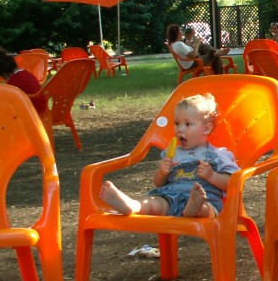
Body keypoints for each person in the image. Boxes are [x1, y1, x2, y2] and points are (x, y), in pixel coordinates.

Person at [99, 93, 239, 219]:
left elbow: (232, 183)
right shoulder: (173, 153)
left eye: (188, 124)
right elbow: (158, 184)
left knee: (206, 209)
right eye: (177, 123)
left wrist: (212, 176)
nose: (180, 129)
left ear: (206, 129)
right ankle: (133, 206)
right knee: (153, 202)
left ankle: (194, 208)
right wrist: (162, 172)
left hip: (205, 197)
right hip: (171, 196)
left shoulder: (217, 155)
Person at [0, 47, 48, 115]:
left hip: (32, 114)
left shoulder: (14, 82)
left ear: (2, 73)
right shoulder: (25, 74)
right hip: (40, 109)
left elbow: (6, 102)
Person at [166, 23, 231, 74]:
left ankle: (215, 52)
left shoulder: (174, 44)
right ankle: (219, 77)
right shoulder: (179, 44)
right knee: (215, 57)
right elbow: (193, 55)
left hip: (191, 60)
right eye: (180, 31)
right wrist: (196, 44)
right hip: (194, 62)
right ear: (176, 33)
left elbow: (184, 52)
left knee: (202, 46)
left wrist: (189, 45)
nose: (182, 32)